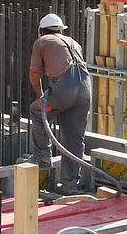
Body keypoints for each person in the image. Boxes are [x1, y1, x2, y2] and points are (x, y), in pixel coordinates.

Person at [26, 13, 92, 192]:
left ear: (41, 31)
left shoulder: (41, 41)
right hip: (85, 90)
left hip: (64, 90)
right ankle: (70, 184)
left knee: (37, 111)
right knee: (74, 137)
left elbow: (34, 74)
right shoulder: (73, 42)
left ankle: (42, 158)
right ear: (61, 30)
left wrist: (41, 96)